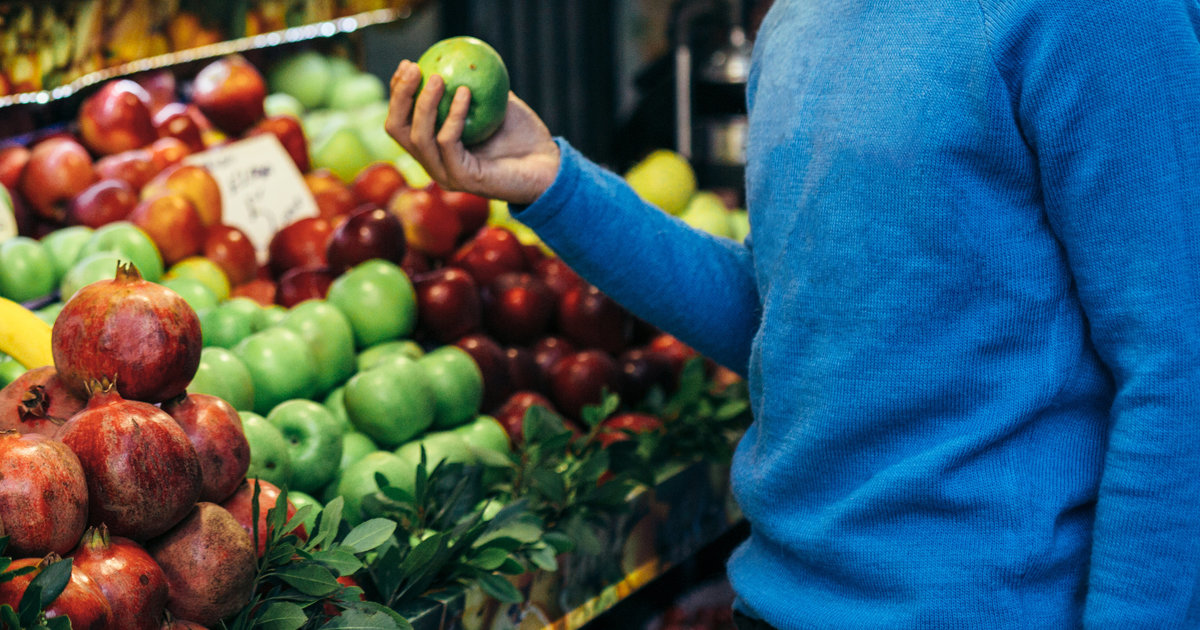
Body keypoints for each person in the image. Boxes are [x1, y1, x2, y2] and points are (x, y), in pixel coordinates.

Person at [386, 0, 1200, 627]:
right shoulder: (797, 21)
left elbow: (1176, 363)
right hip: (777, 601)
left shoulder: (1098, 16)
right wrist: (553, 182)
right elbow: (787, 320)